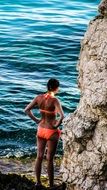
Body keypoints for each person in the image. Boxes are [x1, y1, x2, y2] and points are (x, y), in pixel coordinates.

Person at [24, 78, 64, 188]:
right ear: (56, 88)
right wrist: (56, 125)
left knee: (39, 156)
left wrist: (36, 120)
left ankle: (38, 183)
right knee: (50, 159)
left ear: (47, 86)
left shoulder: (38, 98)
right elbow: (62, 116)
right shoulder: (55, 100)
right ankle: (51, 185)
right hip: (51, 131)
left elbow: (26, 110)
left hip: (41, 129)